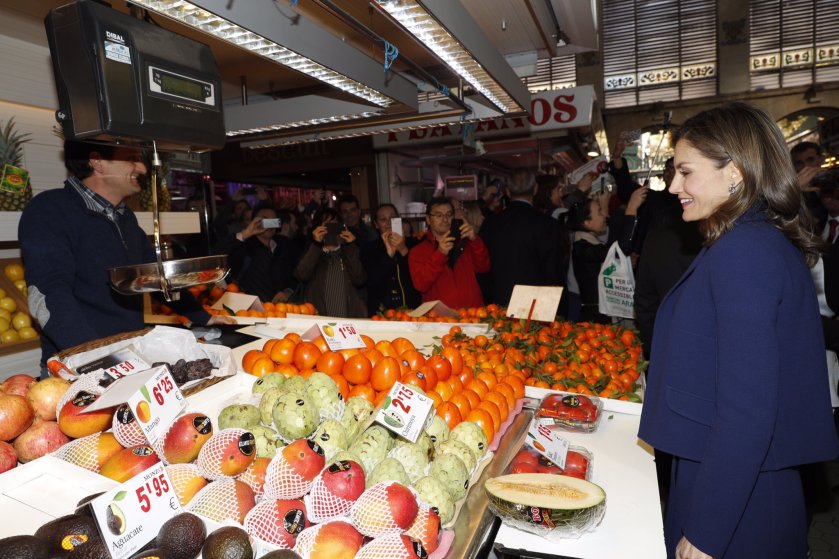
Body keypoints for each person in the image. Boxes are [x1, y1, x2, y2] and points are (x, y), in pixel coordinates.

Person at [638, 102, 839, 559]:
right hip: (736, 474)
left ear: (735, 172)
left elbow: (748, 409)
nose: (673, 187)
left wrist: (709, 529)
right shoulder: (747, 240)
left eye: (685, 172)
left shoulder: (744, 251)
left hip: (737, 490)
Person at [19, 141, 229, 370]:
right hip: (79, 367)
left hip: (129, 359)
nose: (142, 168)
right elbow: (48, 295)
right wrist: (95, 360)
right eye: (132, 158)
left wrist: (203, 317)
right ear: (97, 161)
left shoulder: (124, 216)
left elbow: (154, 276)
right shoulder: (49, 210)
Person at [564, 185, 647, 323]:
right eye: (599, 212)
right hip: (595, 322)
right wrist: (631, 209)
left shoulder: (590, 242)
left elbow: (612, 253)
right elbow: (621, 247)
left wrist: (623, 262)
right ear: (588, 223)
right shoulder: (582, 247)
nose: (604, 216)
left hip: (600, 317)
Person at [480, 168, 562, 306]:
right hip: (535, 303)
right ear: (535, 189)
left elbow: (484, 265)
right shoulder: (547, 224)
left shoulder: (490, 224)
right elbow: (553, 269)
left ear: (507, 191)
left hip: (499, 300)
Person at [408, 196, 490, 309]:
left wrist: (475, 240)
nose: (445, 219)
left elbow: (484, 267)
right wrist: (440, 254)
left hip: (473, 316)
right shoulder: (418, 251)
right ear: (428, 219)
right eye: (438, 215)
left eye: (449, 214)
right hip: (439, 320)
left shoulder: (465, 242)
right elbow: (421, 284)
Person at [294, 208, 367, 318]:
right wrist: (316, 244)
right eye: (327, 225)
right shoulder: (312, 253)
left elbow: (359, 279)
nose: (331, 229)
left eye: (335, 225)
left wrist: (350, 246)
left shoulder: (350, 251)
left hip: (349, 322)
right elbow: (301, 275)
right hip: (320, 322)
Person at [228, 205, 298, 303]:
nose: (269, 225)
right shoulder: (245, 247)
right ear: (254, 222)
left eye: (273, 221)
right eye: (265, 221)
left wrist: (287, 291)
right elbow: (222, 255)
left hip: (279, 310)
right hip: (251, 310)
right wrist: (245, 234)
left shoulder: (283, 247)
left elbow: (293, 276)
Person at [361, 203, 420, 316]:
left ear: (399, 220)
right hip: (382, 314)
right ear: (376, 224)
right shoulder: (368, 249)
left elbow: (419, 278)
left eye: (392, 218)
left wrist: (403, 250)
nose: (388, 223)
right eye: (383, 219)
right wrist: (389, 255)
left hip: (413, 311)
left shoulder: (414, 244)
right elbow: (370, 279)